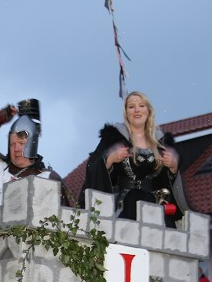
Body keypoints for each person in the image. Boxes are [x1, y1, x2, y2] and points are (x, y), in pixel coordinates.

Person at [79, 91, 189, 227]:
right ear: (126, 112)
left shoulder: (161, 142)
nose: (136, 110)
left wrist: (173, 166)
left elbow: (165, 183)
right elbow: (93, 167)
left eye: (141, 105)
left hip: (155, 206)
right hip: (125, 205)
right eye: (131, 106)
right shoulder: (114, 138)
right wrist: (110, 159)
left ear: (148, 110)